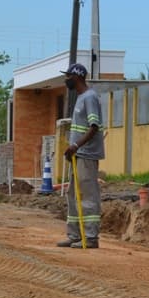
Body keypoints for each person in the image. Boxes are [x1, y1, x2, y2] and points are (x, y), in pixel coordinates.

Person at [58, 62, 103, 249]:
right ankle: (75, 235)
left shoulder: (90, 97)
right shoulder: (81, 97)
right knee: (73, 195)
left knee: (87, 196)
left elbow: (94, 127)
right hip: (78, 154)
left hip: (86, 155)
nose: (66, 79)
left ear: (77, 76)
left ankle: (91, 237)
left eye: (68, 76)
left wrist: (75, 145)